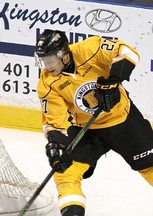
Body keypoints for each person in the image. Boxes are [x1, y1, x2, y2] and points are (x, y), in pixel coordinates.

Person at [35, 29, 153, 216]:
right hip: (87, 129)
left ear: (63, 55)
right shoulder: (47, 83)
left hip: (123, 120)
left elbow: (128, 51)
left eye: (50, 60)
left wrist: (113, 81)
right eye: (43, 60)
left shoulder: (90, 48)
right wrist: (56, 146)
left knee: (150, 167)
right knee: (66, 171)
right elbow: (53, 122)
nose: (46, 65)